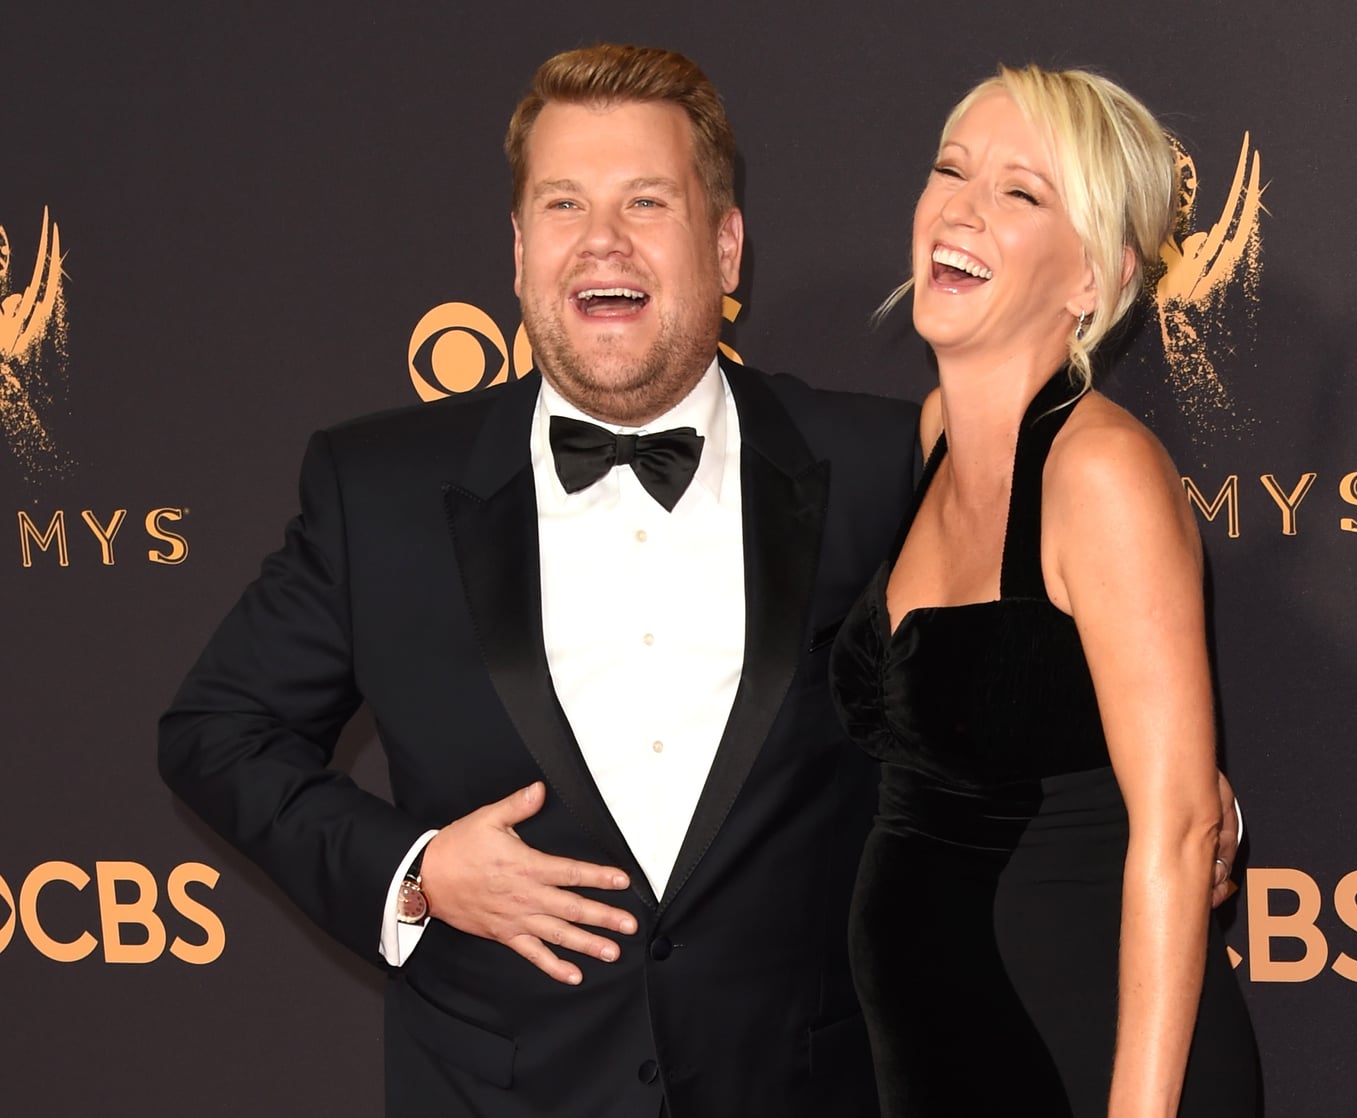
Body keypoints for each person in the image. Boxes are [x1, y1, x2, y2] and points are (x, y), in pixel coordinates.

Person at [159, 44, 1241, 1118]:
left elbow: (1029, 698)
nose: (601, 243)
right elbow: (214, 729)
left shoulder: (878, 463)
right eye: (563, 204)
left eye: (646, 202)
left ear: (727, 249)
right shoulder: (376, 491)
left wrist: (1165, 810)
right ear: (519, 246)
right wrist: (419, 868)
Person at [830, 66, 1259, 1117]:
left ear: (1095, 278)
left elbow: (1177, 823)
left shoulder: (1101, 475)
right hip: (942, 1062)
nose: (960, 207)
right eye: (950, 168)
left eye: (1021, 192)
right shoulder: (935, 438)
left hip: (1088, 1062)